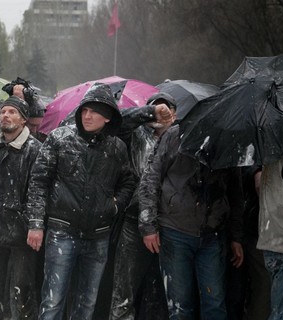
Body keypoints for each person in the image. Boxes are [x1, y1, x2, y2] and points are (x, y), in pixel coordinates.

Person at [25, 84, 135, 319]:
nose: (87, 116)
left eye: (94, 111)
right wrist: (35, 223)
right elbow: (38, 181)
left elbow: (128, 182)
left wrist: (115, 205)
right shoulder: (59, 139)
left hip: (99, 236)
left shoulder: (117, 148)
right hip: (61, 231)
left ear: (108, 117)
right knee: (53, 300)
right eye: (84, 110)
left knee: (87, 302)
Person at [138, 121, 244, 319]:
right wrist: (148, 226)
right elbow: (150, 179)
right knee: (180, 304)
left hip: (213, 233)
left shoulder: (228, 140)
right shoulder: (173, 135)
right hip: (175, 230)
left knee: (215, 302)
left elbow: (235, 193)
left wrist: (236, 236)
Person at [108, 92, 176, 320]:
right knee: (124, 289)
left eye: (166, 109)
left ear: (175, 115)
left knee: (158, 290)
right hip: (133, 220)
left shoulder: (181, 139)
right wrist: (149, 112)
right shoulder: (136, 135)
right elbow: (119, 123)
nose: (161, 114)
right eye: (156, 109)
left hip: (169, 223)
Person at [0, 95, 42, 319]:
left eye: (12, 112)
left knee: (22, 291)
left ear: (24, 120)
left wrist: (35, 225)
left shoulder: (35, 149)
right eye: (3, 111)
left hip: (22, 233)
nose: (5, 115)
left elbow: (38, 191)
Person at [256, 159, 283, 320]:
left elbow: (259, 186)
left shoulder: (268, 149)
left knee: (280, 309)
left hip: (272, 237)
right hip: (278, 238)